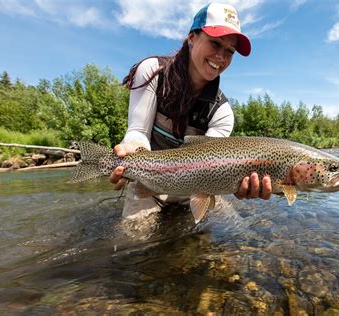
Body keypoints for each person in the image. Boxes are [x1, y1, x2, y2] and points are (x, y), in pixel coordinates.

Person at [109, 2, 272, 220]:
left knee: (233, 234)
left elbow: (210, 170)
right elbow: (138, 131)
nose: (221, 57)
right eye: (215, 43)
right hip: (149, 180)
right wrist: (131, 152)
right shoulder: (152, 73)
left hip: (194, 188)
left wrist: (236, 180)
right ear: (192, 38)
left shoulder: (221, 112)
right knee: (135, 244)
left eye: (229, 51)